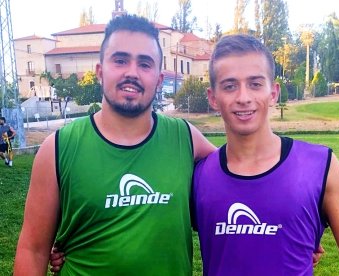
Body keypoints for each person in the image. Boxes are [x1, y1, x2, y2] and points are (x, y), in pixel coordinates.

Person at [14, 14, 215, 275]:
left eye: (145, 64)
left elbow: (241, 176)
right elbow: (33, 249)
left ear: (159, 79)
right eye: (120, 60)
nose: (131, 72)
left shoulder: (186, 139)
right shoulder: (57, 149)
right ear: (100, 71)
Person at [192, 34, 339, 275]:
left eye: (255, 84)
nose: (243, 98)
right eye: (229, 86)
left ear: (273, 92)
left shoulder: (319, 166)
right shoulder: (199, 177)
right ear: (213, 98)